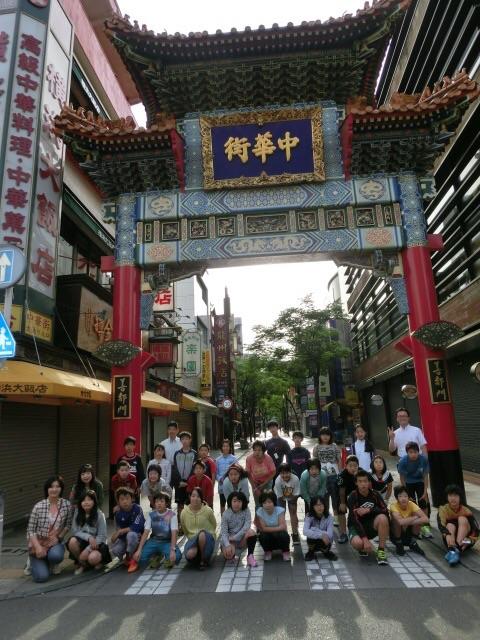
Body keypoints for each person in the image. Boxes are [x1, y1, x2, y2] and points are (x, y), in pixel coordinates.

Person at [27, 475, 72, 583]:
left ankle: (50, 561)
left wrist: (59, 537)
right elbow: (31, 530)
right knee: (42, 577)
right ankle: (33, 560)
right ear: (47, 489)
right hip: (39, 543)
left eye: (57, 486)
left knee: (56, 556)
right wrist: (37, 547)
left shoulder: (67, 505)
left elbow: (68, 524)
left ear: (61, 489)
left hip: (54, 542)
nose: (54, 489)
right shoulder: (38, 506)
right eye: (51, 487)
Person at [347, 469, 390, 565]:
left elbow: (385, 510)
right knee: (358, 543)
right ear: (356, 483)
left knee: (383, 518)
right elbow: (354, 520)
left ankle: (381, 550)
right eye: (360, 481)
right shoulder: (352, 496)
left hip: (371, 525)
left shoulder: (375, 494)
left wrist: (369, 510)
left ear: (369, 482)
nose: (363, 484)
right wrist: (365, 539)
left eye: (365, 481)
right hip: (356, 526)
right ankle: (363, 547)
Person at [132, 491, 182, 571]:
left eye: (162, 501)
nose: (159, 503)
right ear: (154, 503)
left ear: (166, 503)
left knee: (176, 557)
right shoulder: (151, 515)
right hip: (154, 541)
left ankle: (167, 557)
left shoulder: (172, 514)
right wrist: (139, 550)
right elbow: (146, 532)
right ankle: (157, 556)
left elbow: (174, 533)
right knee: (140, 558)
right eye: (157, 501)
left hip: (167, 542)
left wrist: (172, 550)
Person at [68, 490, 111, 574]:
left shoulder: (100, 515)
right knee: (72, 541)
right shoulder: (77, 512)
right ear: (80, 502)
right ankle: (82, 563)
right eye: (83, 500)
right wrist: (89, 537)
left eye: (89, 500)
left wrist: (88, 549)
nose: (86, 502)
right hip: (84, 541)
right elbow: (75, 531)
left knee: (93, 558)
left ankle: (97, 561)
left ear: (94, 501)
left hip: (97, 544)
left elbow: (102, 536)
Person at [437, 484, 479, 566]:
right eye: (450, 495)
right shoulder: (443, 509)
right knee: (450, 525)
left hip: (465, 541)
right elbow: (441, 526)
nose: (453, 498)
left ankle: (454, 551)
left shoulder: (466, 510)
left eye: (455, 495)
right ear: (447, 497)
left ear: (460, 497)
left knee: (462, 519)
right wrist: (447, 534)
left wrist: (469, 540)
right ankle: (454, 551)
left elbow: (476, 530)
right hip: (450, 540)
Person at [397, 441, 432, 538]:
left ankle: (425, 526)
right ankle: (415, 527)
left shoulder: (423, 459)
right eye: (411, 452)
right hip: (408, 482)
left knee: (423, 503)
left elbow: (425, 476)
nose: (413, 454)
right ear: (407, 453)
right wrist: (406, 493)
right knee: (412, 504)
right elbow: (402, 478)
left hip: (420, 481)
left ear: (418, 451)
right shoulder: (403, 461)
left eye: (415, 452)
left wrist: (425, 491)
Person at [180, 487, 217, 569]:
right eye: (193, 496)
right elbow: (185, 529)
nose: (195, 499)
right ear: (190, 497)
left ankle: (203, 560)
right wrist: (192, 538)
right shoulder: (184, 513)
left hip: (207, 538)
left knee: (202, 534)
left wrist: (208, 533)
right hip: (193, 539)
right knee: (189, 555)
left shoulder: (208, 511)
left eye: (198, 496)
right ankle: (198, 557)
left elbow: (214, 525)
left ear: (201, 499)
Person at [110, 487, 145, 572]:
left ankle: (131, 557)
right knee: (115, 550)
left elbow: (137, 527)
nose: (125, 501)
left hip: (138, 536)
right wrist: (117, 535)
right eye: (122, 499)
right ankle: (125, 556)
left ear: (132, 499)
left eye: (127, 498)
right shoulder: (118, 513)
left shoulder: (137, 508)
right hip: (124, 538)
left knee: (131, 535)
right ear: (118, 502)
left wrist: (121, 531)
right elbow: (115, 535)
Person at [220, 491, 257, 567]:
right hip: (230, 540)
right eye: (234, 501)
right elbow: (224, 532)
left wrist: (235, 537)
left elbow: (247, 526)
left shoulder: (246, 510)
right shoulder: (225, 514)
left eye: (239, 501)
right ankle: (231, 554)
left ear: (243, 502)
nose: (236, 504)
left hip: (242, 539)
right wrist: (227, 545)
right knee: (228, 555)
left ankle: (250, 556)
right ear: (230, 502)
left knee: (251, 532)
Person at [389, 485, 428, 556]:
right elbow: (400, 522)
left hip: (409, 533)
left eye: (405, 496)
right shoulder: (393, 506)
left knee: (418, 517)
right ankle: (399, 544)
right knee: (396, 520)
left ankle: (413, 543)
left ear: (408, 497)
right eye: (400, 496)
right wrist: (415, 517)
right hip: (396, 536)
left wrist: (408, 522)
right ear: (397, 498)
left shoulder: (412, 504)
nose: (403, 498)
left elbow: (425, 519)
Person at [312, 427, 342, 517]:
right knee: (324, 499)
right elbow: (314, 462)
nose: (325, 437)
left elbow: (339, 460)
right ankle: (326, 517)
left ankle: (336, 518)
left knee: (335, 498)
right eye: (323, 434)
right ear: (320, 436)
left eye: (327, 435)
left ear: (330, 436)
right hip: (322, 476)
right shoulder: (317, 447)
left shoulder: (334, 446)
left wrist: (340, 473)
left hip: (334, 475)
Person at [256, 490, 291, 561]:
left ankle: (285, 552)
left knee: (283, 534)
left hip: (279, 536)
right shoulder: (259, 511)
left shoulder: (280, 510)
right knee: (262, 536)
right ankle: (267, 552)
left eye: (269, 502)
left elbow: (283, 527)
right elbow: (263, 529)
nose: (267, 505)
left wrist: (268, 529)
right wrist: (278, 528)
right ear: (261, 503)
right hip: (268, 536)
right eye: (264, 503)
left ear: (274, 502)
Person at [303, 496, 337, 561]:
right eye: (316, 505)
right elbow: (305, 531)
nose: (319, 507)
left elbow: (330, 534)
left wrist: (313, 529)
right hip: (313, 541)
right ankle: (311, 552)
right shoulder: (309, 516)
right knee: (310, 537)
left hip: (325, 541)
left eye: (321, 504)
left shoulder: (329, 517)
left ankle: (326, 552)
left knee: (328, 538)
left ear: (324, 505)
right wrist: (321, 535)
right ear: (312, 507)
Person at [274, 462, 300, 544]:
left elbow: (296, 494)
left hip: (293, 497)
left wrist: (291, 501)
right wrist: (285, 499)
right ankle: (283, 533)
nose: (285, 475)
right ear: (279, 473)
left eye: (287, 473)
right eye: (282, 473)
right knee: (281, 514)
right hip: (281, 497)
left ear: (290, 472)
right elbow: (280, 496)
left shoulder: (295, 479)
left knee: (293, 513)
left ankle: (295, 533)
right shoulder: (278, 481)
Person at [172, 431, 197, 516]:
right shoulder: (177, 453)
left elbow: (194, 469)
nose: (185, 441)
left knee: (190, 503)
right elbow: (175, 468)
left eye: (187, 439)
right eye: (183, 439)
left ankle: (189, 522)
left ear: (190, 440)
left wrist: (188, 482)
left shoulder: (194, 453)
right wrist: (180, 481)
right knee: (180, 504)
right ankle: (180, 522)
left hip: (190, 482)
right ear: (180, 441)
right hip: (179, 483)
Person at [246, 440, 276, 507]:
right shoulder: (249, 458)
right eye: (255, 450)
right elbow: (248, 473)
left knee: (267, 500)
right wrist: (254, 487)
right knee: (258, 503)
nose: (257, 452)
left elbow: (273, 472)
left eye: (259, 450)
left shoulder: (268, 458)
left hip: (267, 481)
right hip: (255, 482)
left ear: (263, 451)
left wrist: (263, 484)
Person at [337, 455, 359, 544]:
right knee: (341, 510)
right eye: (350, 466)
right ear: (346, 466)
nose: (353, 468)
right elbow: (342, 491)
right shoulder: (342, 475)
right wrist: (343, 503)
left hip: (354, 494)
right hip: (341, 494)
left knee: (356, 511)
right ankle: (343, 533)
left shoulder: (360, 472)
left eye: (355, 466)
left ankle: (357, 530)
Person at [216, 439, 238, 514]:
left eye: (227, 446)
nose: (225, 448)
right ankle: (223, 519)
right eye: (224, 446)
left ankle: (231, 519)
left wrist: (232, 479)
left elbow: (237, 471)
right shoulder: (218, 460)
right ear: (221, 448)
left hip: (231, 486)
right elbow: (216, 473)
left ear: (230, 447)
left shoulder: (234, 459)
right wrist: (220, 479)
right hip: (221, 485)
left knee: (231, 504)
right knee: (222, 504)